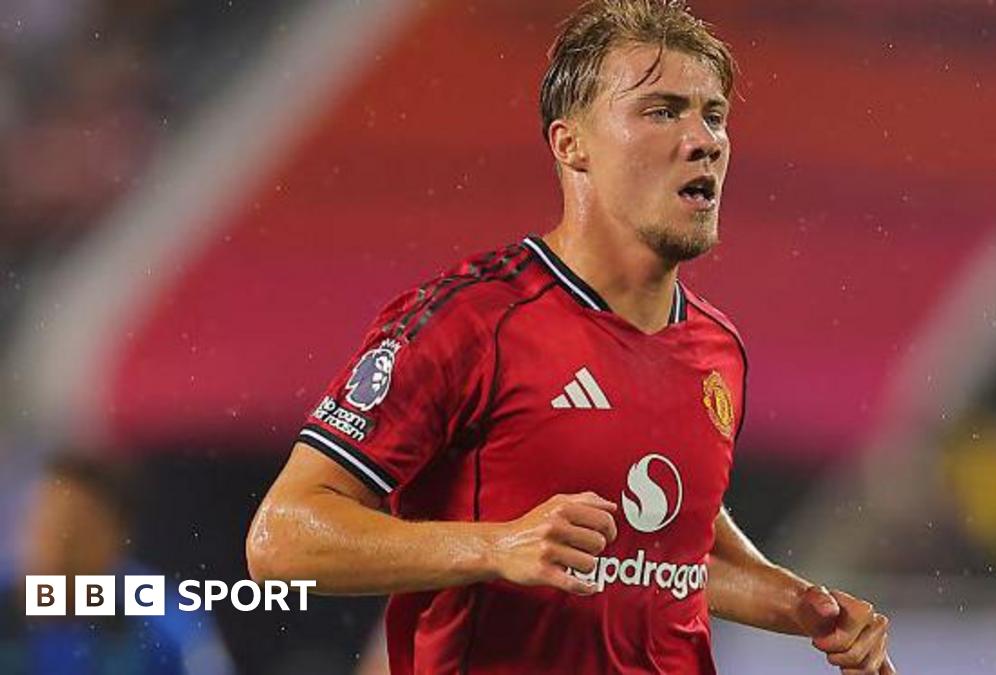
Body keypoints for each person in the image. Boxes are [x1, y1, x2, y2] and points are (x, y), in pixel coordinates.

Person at [247, 1, 896, 673]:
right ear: (571, 144)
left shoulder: (717, 348)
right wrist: (496, 545)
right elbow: (283, 536)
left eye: (713, 114)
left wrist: (810, 608)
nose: (703, 139)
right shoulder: (472, 321)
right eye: (662, 111)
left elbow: (676, 550)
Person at [0, 453, 233, 675]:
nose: (58, 551)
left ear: (118, 537)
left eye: (76, 533)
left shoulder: (163, 621)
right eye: (46, 527)